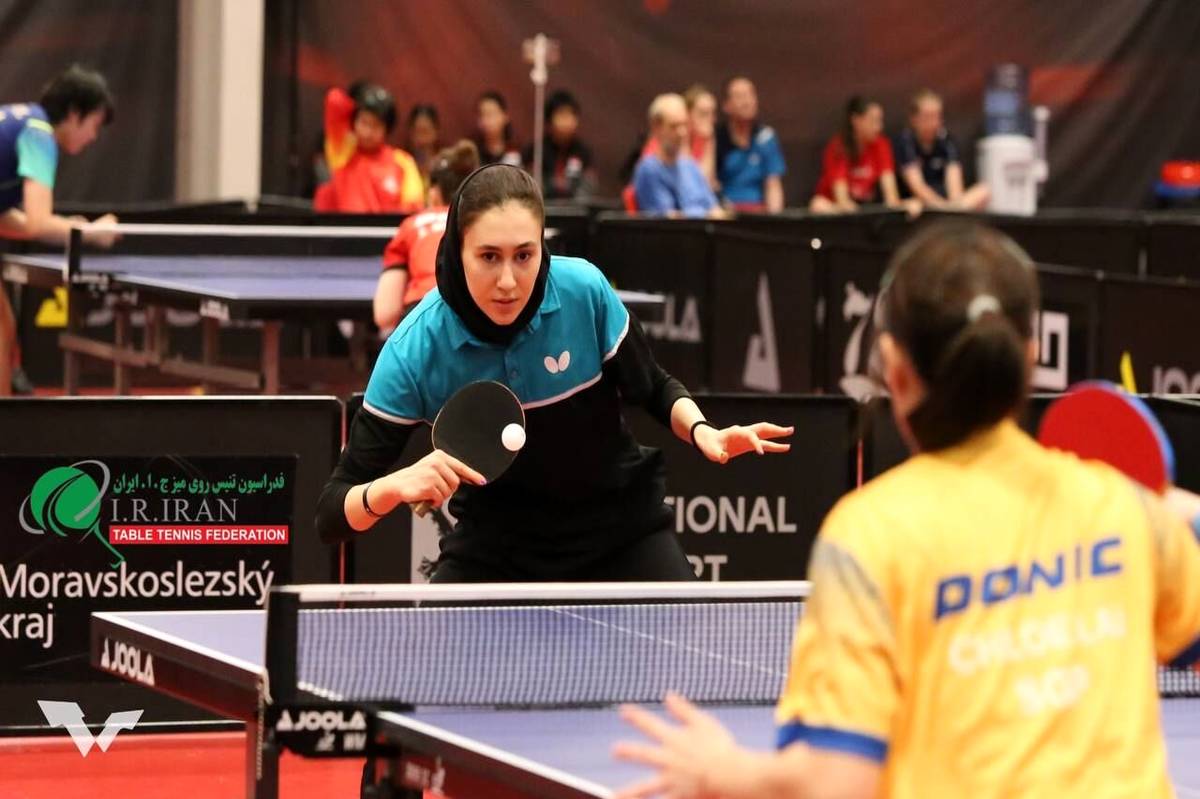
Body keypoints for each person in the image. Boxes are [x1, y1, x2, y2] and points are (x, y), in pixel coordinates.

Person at [614, 221, 1200, 798]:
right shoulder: (1122, 505)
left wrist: (725, 772)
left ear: (893, 368)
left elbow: (835, 784)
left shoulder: (871, 536)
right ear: (1032, 355)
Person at [317, 164, 792, 582]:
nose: (508, 281)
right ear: (458, 250)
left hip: (623, 535)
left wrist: (703, 430)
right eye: (488, 257)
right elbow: (332, 514)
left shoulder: (583, 291)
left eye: (524, 255)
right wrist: (391, 488)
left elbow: (654, 387)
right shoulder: (417, 348)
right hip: (495, 552)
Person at [0, 64, 119, 397]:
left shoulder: (21, 122)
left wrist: (74, 230)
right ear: (74, 113)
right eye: (94, 125)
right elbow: (38, 222)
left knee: (3, 328)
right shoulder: (38, 135)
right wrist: (90, 233)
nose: (93, 137)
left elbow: (11, 222)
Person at [375, 140, 480, 333]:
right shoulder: (481, 222)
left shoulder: (411, 225)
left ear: (434, 193)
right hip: (471, 314)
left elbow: (384, 313)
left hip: (421, 315)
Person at [313, 82, 424, 213]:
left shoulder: (402, 161)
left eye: (376, 125)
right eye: (363, 122)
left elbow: (413, 205)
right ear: (354, 122)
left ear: (386, 129)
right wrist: (363, 97)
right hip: (346, 225)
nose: (368, 132)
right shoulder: (342, 150)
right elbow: (334, 99)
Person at [811, 96, 920, 217]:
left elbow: (891, 197)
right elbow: (842, 201)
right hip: (839, 211)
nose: (879, 127)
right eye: (873, 121)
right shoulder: (837, 148)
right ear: (856, 121)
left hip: (866, 208)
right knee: (818, 205)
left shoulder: (881, 145)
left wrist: (906, 205)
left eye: (880, 121)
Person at [896, 88, 990, 211]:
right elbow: (918, 187)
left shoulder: (947, 141)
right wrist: (942, 208)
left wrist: (952, 207)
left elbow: (955, 188)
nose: (933, 123)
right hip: (923, 204)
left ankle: (952, 216)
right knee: (914, 206)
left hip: (949, 205)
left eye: (937, 116)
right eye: (928, 117)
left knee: (983, 191)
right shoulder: (906, 142)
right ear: (914, 119)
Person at [632, 94, 721, 218]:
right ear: (656, 127)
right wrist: (706, 215)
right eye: (674, 126)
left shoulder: (690, 166)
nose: (682, 132)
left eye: (685, 125)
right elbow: (670, 220)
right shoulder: (649, 169)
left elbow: (715, 209)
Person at [715, 76, 785, 212]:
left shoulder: (766, 136)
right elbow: (708, 182)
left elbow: (773, 184)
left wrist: (775, 217)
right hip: (724, 212)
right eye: (740, 97)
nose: (747, 102)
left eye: (750, 95)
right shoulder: (716, 138)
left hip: (758, 212)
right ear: (726, 105)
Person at [523, 90, 596, 202]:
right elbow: (530, 186)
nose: (567, 121)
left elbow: (588, 187)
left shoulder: (584, 152)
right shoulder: (536, 150)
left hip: (576, 210)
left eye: (570, 115)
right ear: (550, 119)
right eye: (561, 115)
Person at [473, 91, 521, 167]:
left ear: (505, 116)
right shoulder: (474, 154)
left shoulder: (517, 152)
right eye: (482, 114)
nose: (485, 120)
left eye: (490, 114)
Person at [405, 103, 441, 187]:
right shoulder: (404, 165)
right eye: (417, 132)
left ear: (436, 131)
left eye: (425, 132)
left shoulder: (443, 165)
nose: (421, 139)